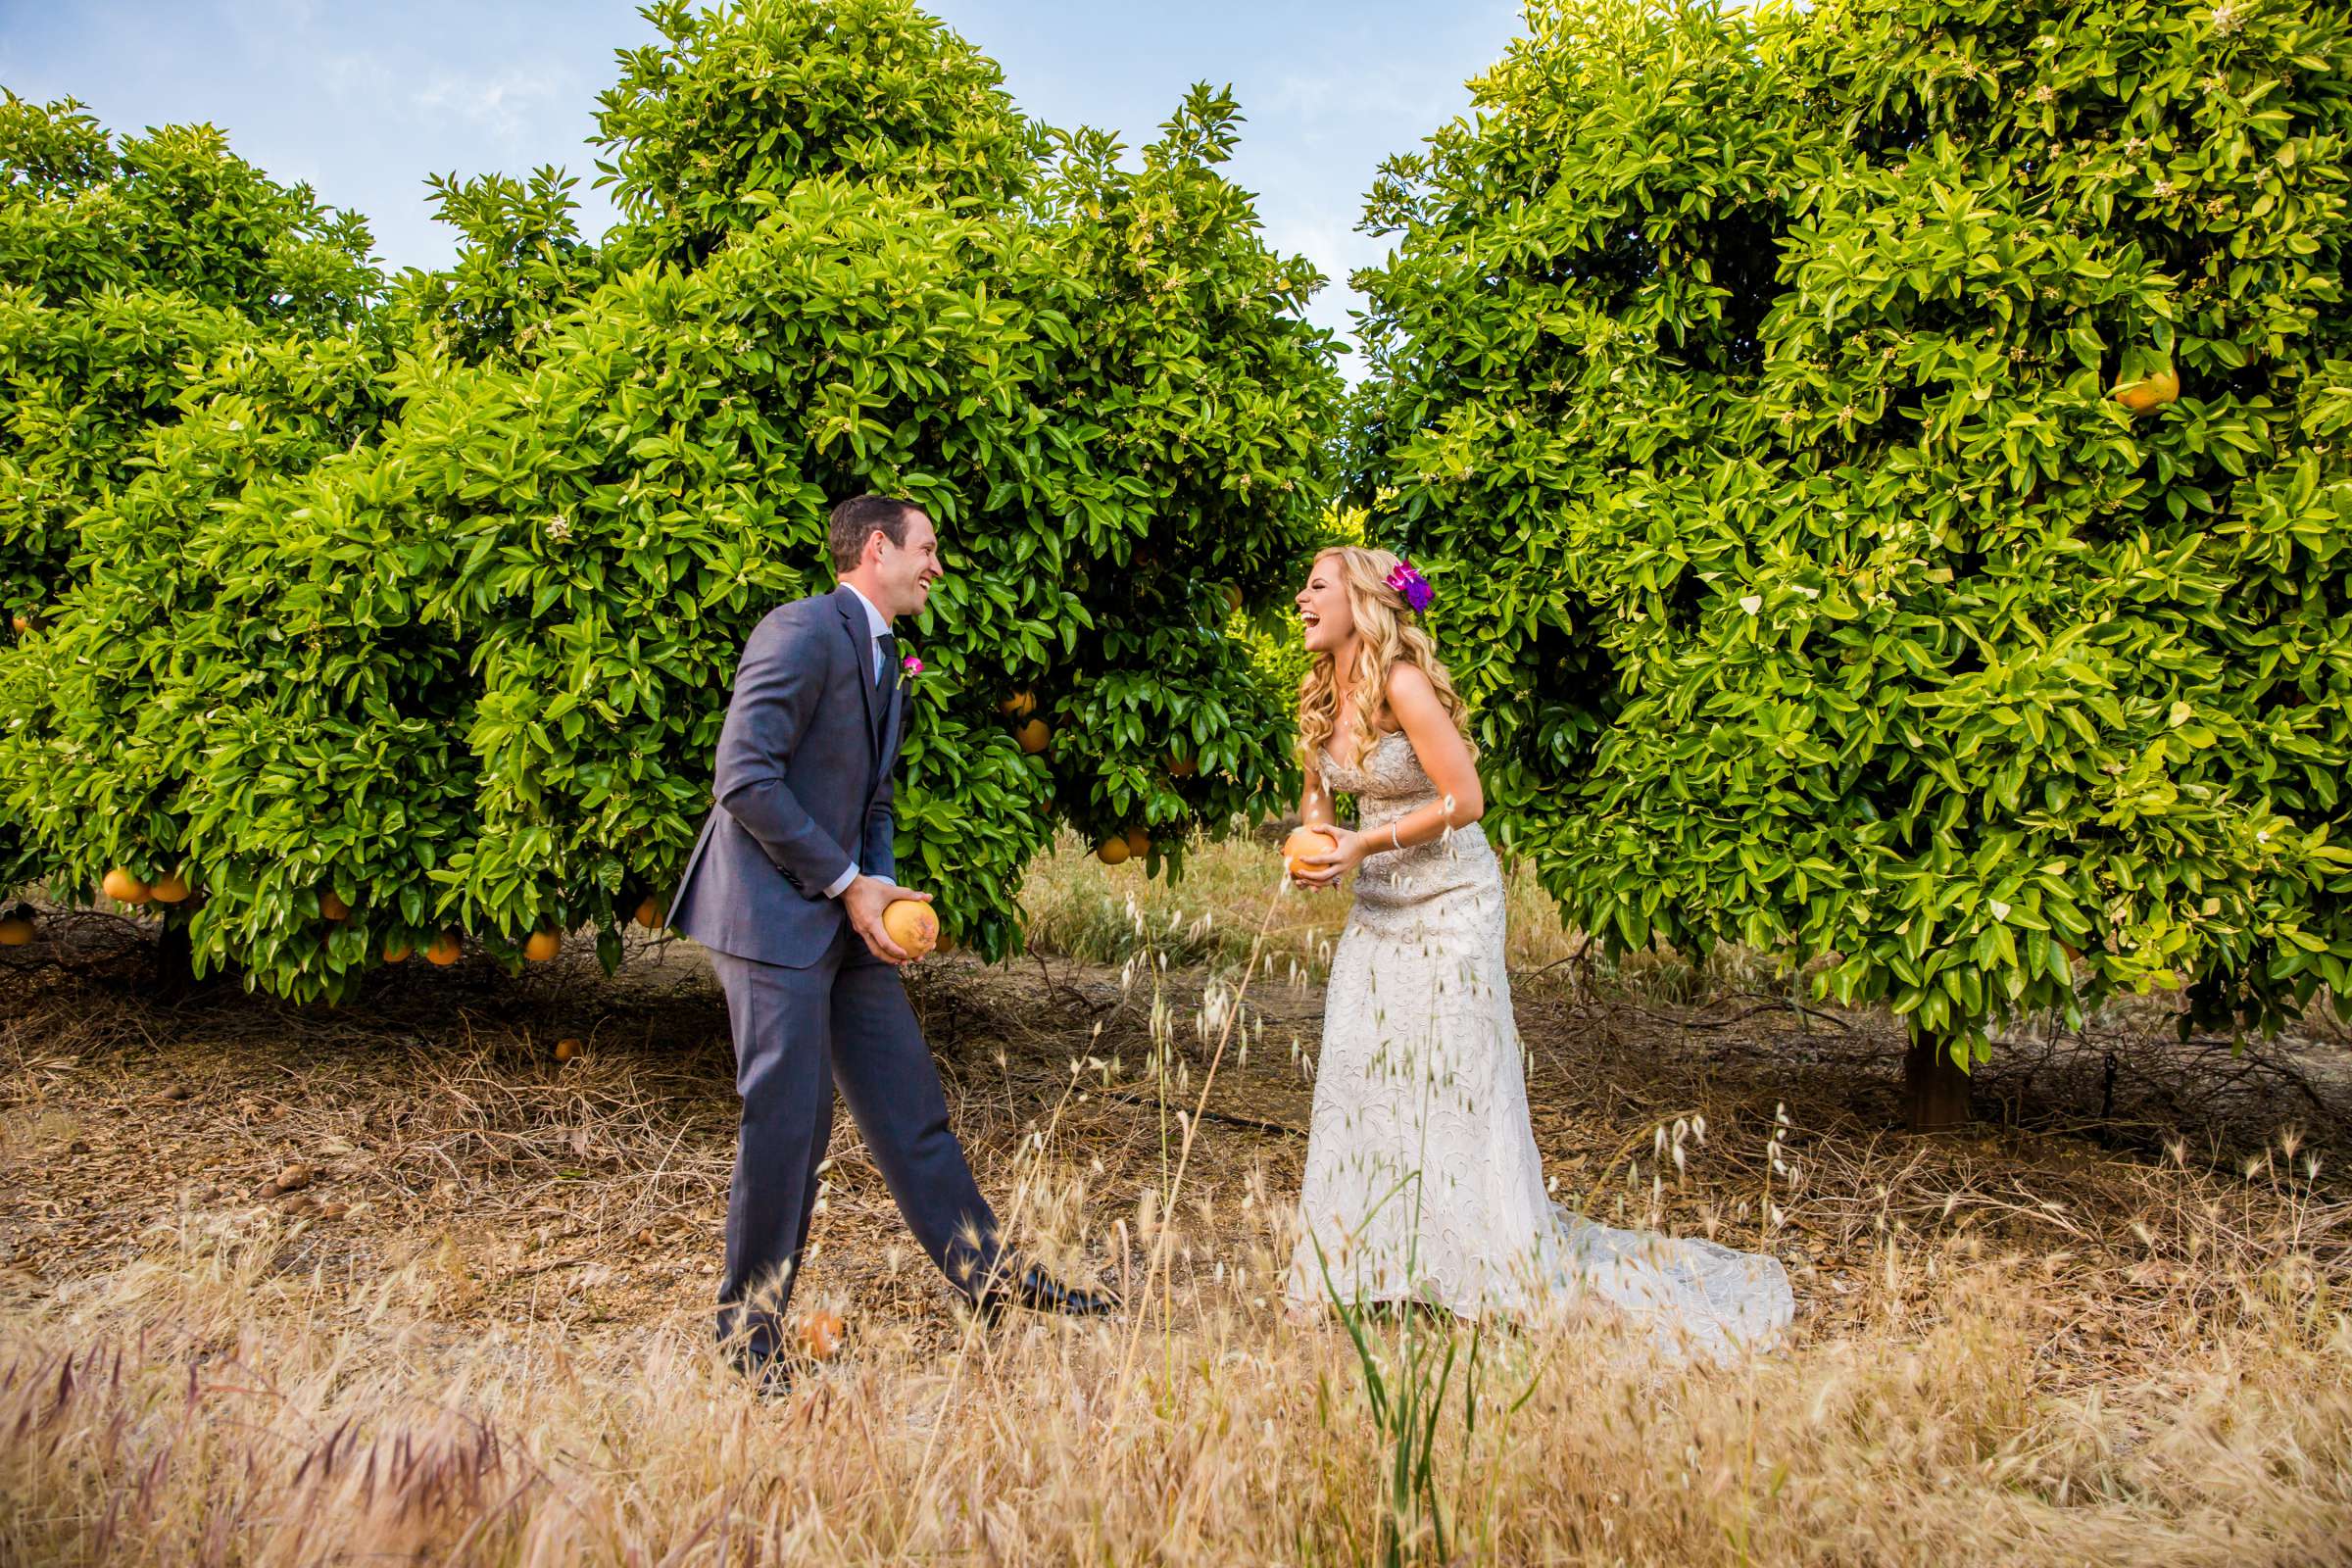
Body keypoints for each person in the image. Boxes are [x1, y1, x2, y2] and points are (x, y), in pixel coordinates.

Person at [1282, 545, 1792, 1362]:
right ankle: (1365, 1264)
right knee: (1361, 1069)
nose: (1301, 598)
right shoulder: (1318, 693)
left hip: (1451, 901)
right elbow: (1319, 794)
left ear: (1363, 601)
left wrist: (1365, 839)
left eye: (1317, 585)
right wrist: (1315, 839)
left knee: (1456, 1075)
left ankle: (1483, 1274)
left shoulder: (1404, 685)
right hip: (1379, 907)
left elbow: (1467, 798)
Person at [668, 494, 1113, 1390]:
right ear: (878, 548)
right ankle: (747, 1332)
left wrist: (880, 892)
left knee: (910, 1105)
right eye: (928, 548)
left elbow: (872, 802)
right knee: (787, 1127)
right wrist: (846, 883)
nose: (936, 566)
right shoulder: (798, 630)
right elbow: (742, 778)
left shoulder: (886, 660)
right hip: (766, 920)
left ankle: (987, 1276)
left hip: (845, 919)